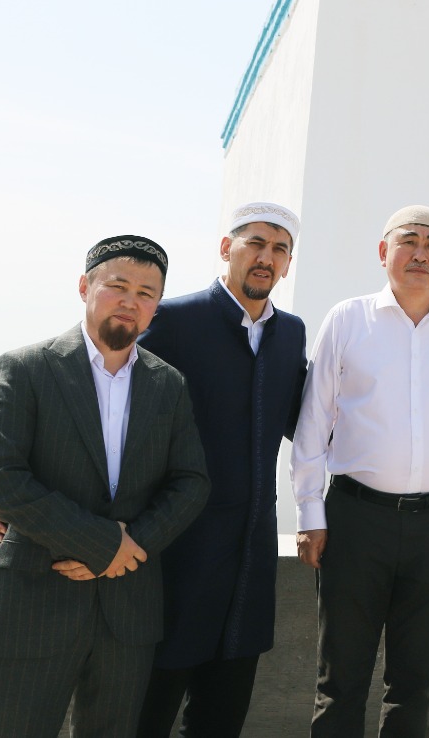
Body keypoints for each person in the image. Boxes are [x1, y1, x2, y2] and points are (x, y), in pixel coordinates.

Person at [0, 236, 210, 738]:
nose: (131, 301)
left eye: (146, 293)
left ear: (156, 306)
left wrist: (132, 544)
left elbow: (190, 483)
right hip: (34, 602)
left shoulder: (169, 384)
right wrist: (102, 544)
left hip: (128, 610)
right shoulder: (27, 367)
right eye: (117, 286)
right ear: (85, 287)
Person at [292, 206, 429, 738]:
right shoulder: (347, 319)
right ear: (384, 252)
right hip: (356, 520)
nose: (421, 253)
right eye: (409, 241)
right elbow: (313, 422)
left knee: (414, 682)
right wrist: (309, 512)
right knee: (340, 678)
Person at [133, 203, 309, 737]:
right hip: (177, 551)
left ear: (288, 264)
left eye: (279, 249)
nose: (266, 257)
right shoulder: (173, 320)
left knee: (221, 718)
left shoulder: (291, 333)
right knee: (147, 713)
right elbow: (109, 405)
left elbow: (309, 421)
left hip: (250, 555)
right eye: (256, 243)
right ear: (226, 247)